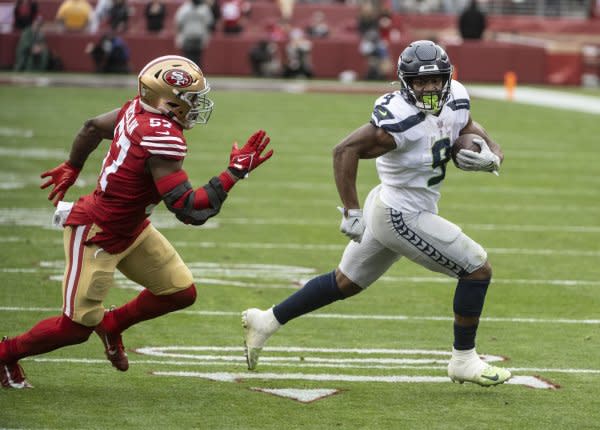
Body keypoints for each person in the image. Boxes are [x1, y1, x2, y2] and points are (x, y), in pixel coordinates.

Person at [243, 40, 511, 387]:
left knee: (345, 282)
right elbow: (344, 150)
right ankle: (463, 359)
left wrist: (494, 154)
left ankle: (266, 321)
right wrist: (351, 211)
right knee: (476, 269)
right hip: (399, 213)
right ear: (405, 83)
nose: (430, 88)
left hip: (398, 205)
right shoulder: (400, 119)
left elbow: (469, 125)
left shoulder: (456, 96)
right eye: (420, 82)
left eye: (436, 81)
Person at [0, 55, 273, 389]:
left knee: (179, 292)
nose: (198, 105)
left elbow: (92, 127)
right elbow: (190, 209)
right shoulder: (162, 137)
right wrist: (234, 172)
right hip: (98, 233)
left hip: (132, 228)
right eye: (191, 99)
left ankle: (113, 324)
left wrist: (73, 164)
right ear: (168, 99)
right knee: (75, 328)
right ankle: (5, 353)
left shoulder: (139, 108)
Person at [175, 0, 214, 68]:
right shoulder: (185, 8)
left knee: (197, 59)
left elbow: (209, 23)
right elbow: (179, 22)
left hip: (199, 37)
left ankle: (197, 75)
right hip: (187, 37)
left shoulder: (204, 9)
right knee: (187, 59)